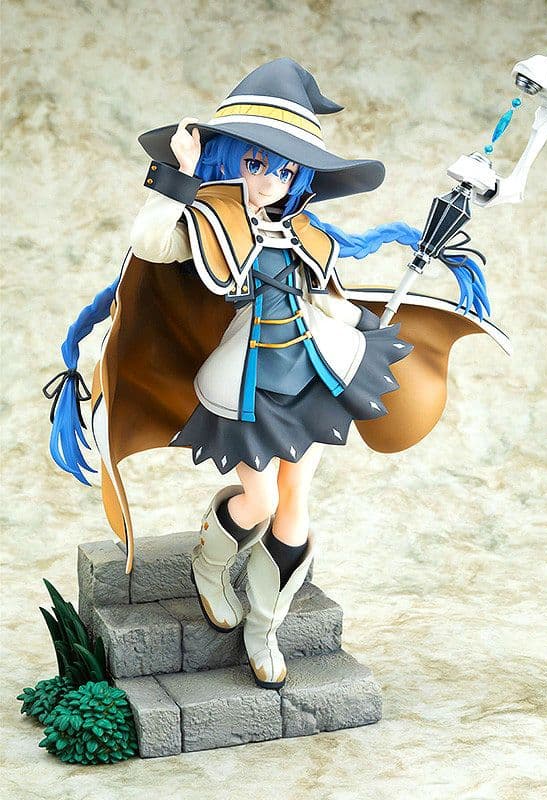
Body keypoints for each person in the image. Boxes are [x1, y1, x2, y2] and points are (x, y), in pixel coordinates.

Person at [44, 58, 499, 690]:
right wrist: (178, 176)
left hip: (312, 376)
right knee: (258, 501)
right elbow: (150, 242)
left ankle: (264, 627)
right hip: (247, 383)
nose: (269, 180)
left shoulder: (304, 232)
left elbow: (327, 299)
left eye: (284, 170)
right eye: (256, 164)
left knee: (294, 510)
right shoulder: (210, 222)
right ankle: (210, 563)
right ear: (230, 159)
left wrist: (370, 326)